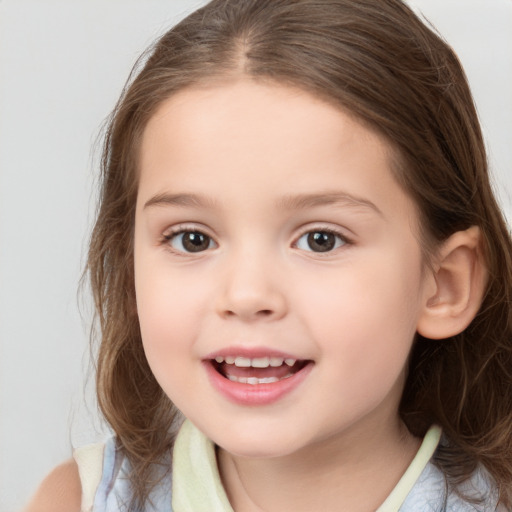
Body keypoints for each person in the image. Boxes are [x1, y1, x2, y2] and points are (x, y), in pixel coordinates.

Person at [25, 0, 512, 510]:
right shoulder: (77, 500)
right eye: (192, 239)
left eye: (321, 239)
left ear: (444, 286)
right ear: (130, 275)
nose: (247, 295)